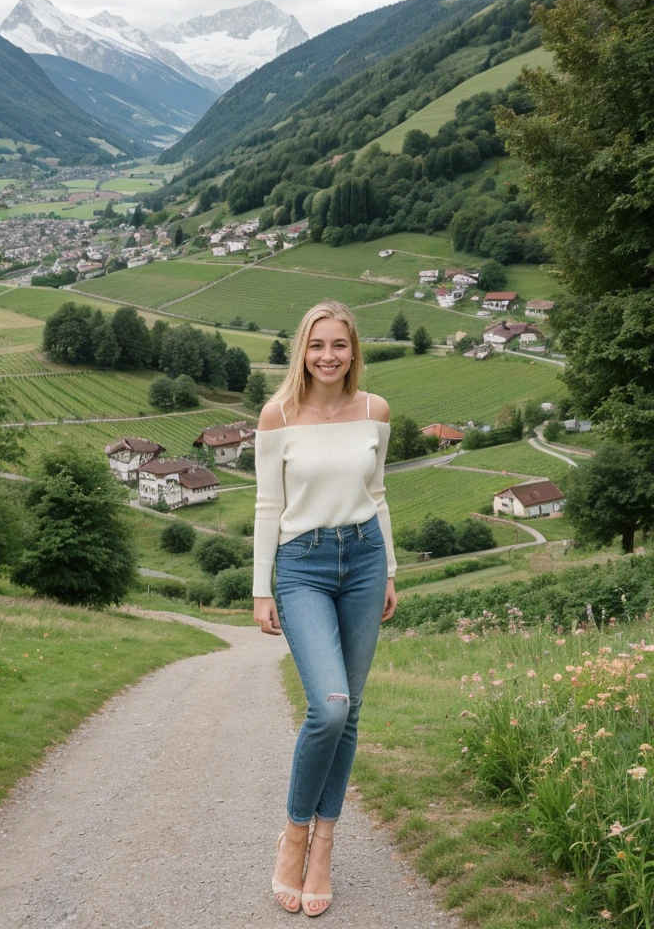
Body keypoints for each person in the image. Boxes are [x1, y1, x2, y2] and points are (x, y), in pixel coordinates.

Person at [252, 299, 398, 916]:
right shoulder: (277, 415)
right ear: (302, 351)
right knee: (331, 707)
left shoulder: (375, 412)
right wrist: (262, 587)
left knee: (354, 710)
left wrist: (390, 569)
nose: (328, 356)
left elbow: (378, 492)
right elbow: (266, 506)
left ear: (353, 349)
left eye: (339, 345)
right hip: (302, 563)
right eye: (318, 345)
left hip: (364, 556)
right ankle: (294, 834)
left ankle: (325, 846)